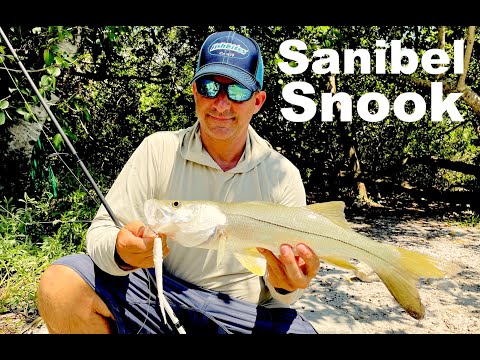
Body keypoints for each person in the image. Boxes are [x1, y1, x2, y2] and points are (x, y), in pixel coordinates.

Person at [37, 30, 321, 334]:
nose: (221, 104)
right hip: (159, 297)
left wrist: (287, 284)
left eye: (237, 91)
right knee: (61, 284)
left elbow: (284, 293)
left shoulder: (283, 175)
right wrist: (121, 251)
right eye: (209, 87)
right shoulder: (158, 150)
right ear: (196, 92)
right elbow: (101, 233)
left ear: (258, 100)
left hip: (242, 313)